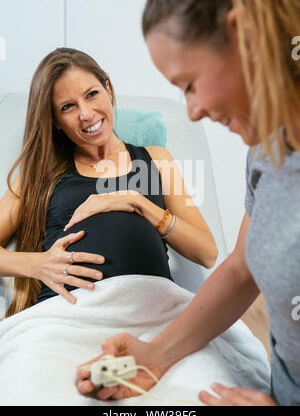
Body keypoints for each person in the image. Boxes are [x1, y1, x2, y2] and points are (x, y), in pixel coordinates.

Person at [76, 0, 300, 406]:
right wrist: (155, 355)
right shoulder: (267, 148)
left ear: (246, 37)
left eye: (190, 83)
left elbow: (207, 250)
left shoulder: (155, 160)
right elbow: (240, 267)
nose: (191, 110)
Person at [0, 46, 218, 316]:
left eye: (92, 94)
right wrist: (37, 264)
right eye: (68, 107)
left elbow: (207, 253)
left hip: (153, 312)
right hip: (67, 316)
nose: (86, 114)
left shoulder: (156, 160)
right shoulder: (40, 175)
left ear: (108, 90)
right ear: (55, 120)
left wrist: (138, 202)